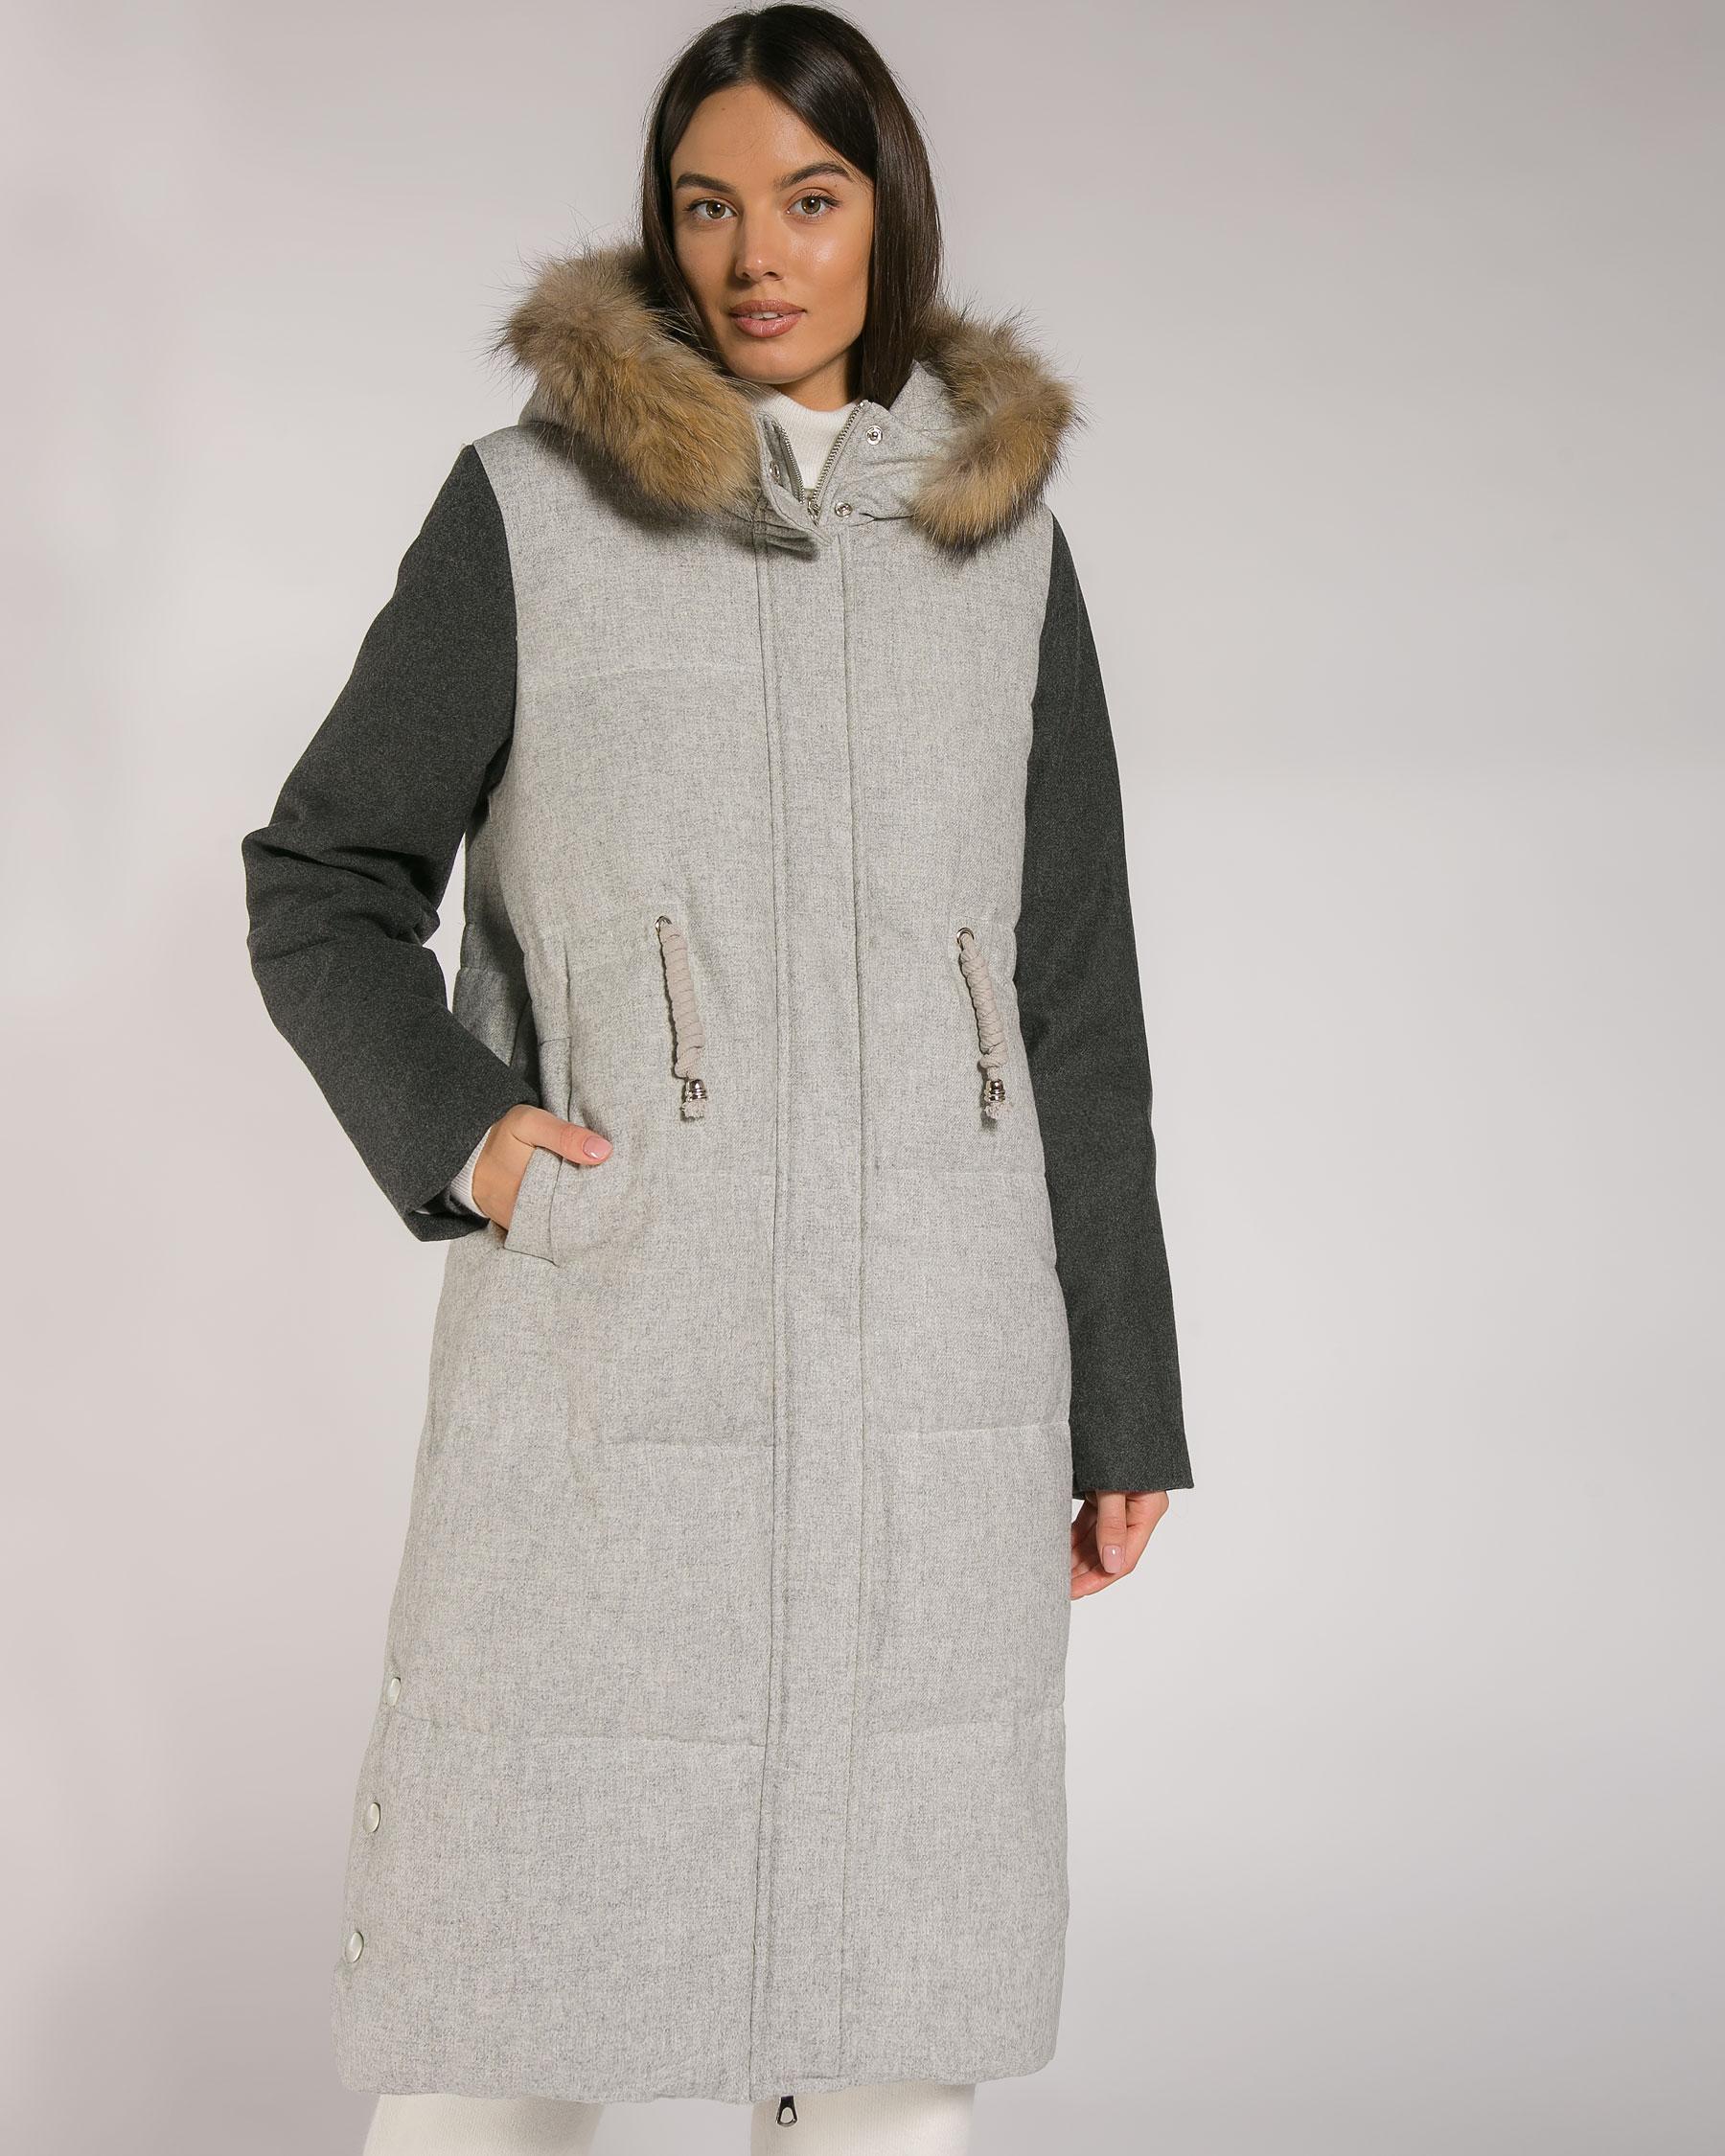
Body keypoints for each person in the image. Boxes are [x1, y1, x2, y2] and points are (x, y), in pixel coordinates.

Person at [240, 7, 1193, 2151]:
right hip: (615, 1359)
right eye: (709, 206)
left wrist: (1123, 1391)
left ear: (888, 215)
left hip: (936, 1383)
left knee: (888, 2025)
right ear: (661, 228)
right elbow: (321, 879)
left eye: (810, 200)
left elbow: (1074, 1000)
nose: (758, 256)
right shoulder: (531, 517)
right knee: (501, 2018)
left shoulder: (1002, 549)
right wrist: (474, 1139)